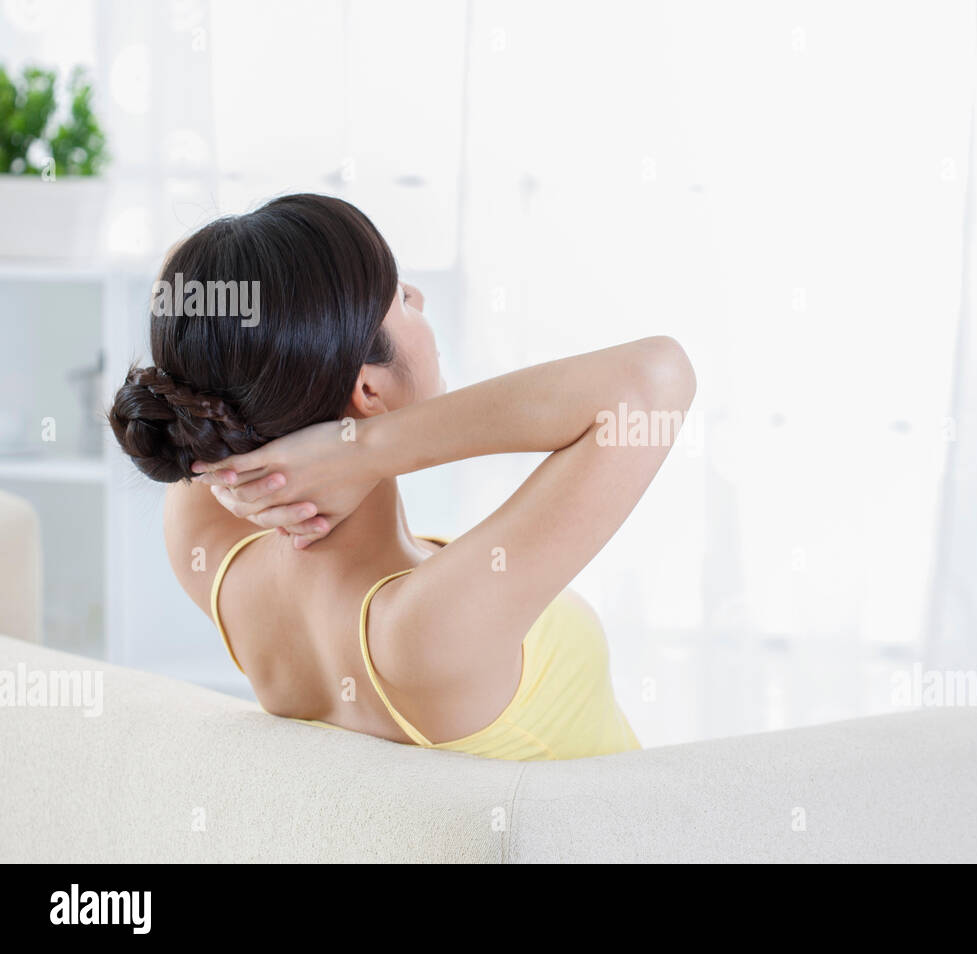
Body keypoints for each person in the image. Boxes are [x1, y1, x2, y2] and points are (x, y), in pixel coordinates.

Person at [109, 193, 695, 760]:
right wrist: (363, 447)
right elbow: (656, 381)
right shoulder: (420, 634)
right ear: (368, 390)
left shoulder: (214, 554)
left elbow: (192, 306)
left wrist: (333, 444)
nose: (416, 294)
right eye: (397, 298)